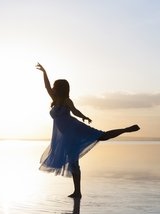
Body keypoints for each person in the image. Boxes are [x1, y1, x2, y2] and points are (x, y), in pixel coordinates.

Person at [36, 63, 140, 198]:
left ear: (60, 89)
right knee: (73, 163)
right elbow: (46, 86)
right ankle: (77, 192)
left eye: (55, 86)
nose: (53, 88)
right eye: (53, 86)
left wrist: (84, 117)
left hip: (74, 129)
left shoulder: (67, 100)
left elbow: (74, 111)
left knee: (102, 136)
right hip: (65, 136)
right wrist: (44, 72)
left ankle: (126, 129)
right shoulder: (55, 99)